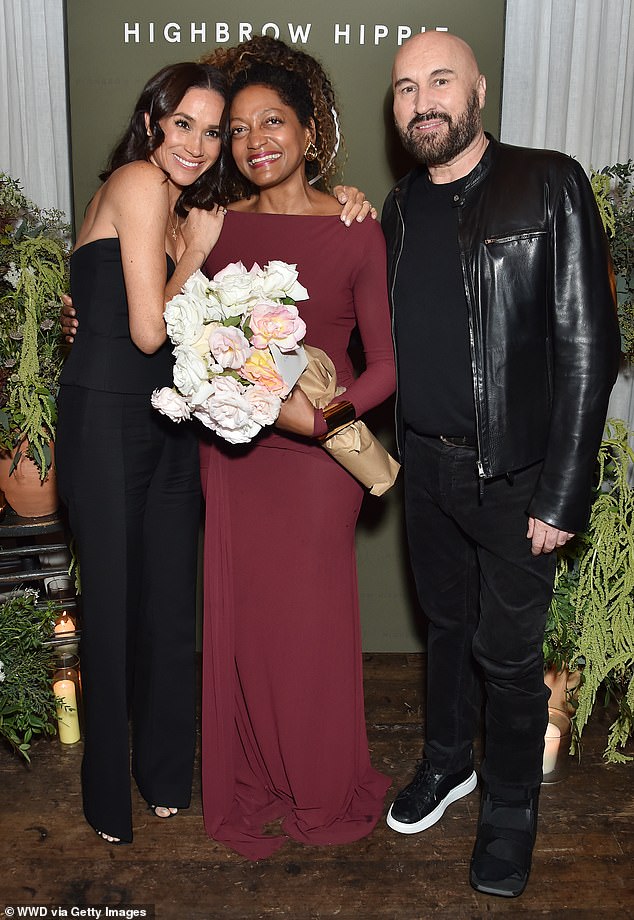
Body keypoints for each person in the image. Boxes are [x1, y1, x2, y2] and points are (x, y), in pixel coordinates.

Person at [381, 31, 620, 897]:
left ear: (477, 88)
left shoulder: (547, 180)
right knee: (445, 630)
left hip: (518, 475)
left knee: (511, 659)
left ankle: (511, 806)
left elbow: (589, 345)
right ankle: (448, 764)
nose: (422, 101)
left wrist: (563, 491)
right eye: (406, 88)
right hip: (426, 468)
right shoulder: (399, 206)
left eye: (440, 80)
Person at [196, 38, 395, 859]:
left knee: (308, 629)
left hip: (317, 464)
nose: (254, 142)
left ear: (310, 132)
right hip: (234, 458)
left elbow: (388, 366)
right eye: (238, 129)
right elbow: (169, 323)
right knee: (244, 628)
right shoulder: (210, 224)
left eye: (271, 122)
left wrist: (321, 420)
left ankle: (316, 776)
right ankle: (256, 771)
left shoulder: (355, 229)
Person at [55, 61, 230, 844]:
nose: (198, 142)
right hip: (106, 420)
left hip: (168, 420)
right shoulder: (139, 181)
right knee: (116, 609)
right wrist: (194, 253)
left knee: (167, 606)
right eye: (184, 122)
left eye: (213, 129)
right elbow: (148, 331)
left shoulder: (178, 203)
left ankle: (164, 775)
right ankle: (106, 800)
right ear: (155, 119)